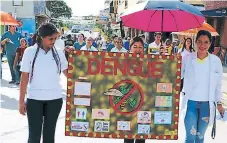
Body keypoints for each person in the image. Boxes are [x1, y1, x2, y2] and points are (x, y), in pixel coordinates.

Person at [19, 23, 68, 143]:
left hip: (55, 99)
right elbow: (24, 78)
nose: (53, 41)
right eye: (51, 39)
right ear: (41, 37)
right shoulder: (29, 52)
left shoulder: (59, 53)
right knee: (34, 137)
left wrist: (75, 57)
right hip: (34, 99)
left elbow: (69, 74)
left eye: (55, 38)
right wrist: (21, 102)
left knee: (49, 137)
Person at [181, 30, 225, 143]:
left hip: (207, 105)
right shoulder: (187, 59)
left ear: (210, 44)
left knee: (200, 137)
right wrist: (174, 61)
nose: (202, 45)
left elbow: (218, 85)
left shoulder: (215, 61)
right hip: (191, 103)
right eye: (199, 42)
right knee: (190, 137)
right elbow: (178, 75)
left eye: (206, 42)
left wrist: (219, 103)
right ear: (195, 42)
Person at [124, 37, 145, 143]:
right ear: (130, 48)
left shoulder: (149, 61)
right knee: (128, 134)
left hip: (144, 103)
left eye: (140, 47)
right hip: (128, 103)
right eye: (135, 47)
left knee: (141, 135)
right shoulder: (122, 59)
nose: (138, 49)